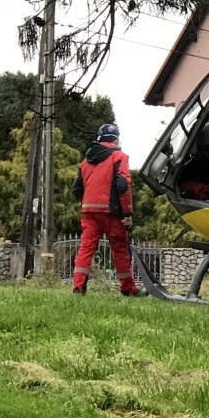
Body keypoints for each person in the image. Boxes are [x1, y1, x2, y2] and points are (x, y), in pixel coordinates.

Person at [71, 123, 139, 296]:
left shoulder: (85, 161)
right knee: (120, 250)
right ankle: (128, 289)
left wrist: (87, 203)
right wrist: (127, 213)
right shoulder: (119, 156)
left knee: (86, 249)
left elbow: (76, 190)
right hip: (112, 213)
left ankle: (78, 287)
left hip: (89, 212)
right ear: (115, 139)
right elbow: (123, 186)